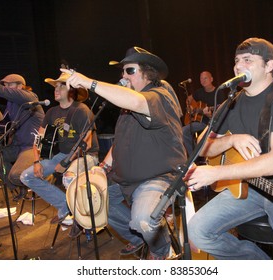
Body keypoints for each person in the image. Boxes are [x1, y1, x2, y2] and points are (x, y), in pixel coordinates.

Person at [186, 37, 273, 260]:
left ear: (269, 66)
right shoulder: (232, 101)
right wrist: (231, 140)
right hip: (251, 189)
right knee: (197, 231)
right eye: (237, 61)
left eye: (248, 60)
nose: (239, 66)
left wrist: (216, 173)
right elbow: (202, 146)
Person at [62, 46, 187, 260]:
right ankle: (140, 239)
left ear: (147, 73)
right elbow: (120, 142)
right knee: (91, 200)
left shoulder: (158, 95)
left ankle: (162, 250)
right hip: (125, 179)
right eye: (123, 72)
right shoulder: (126, 107)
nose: (123, 76)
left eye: (130, 71)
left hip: (158, 177)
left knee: (143, 219)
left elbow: (137, 101)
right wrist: (103, 168)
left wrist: (89, 83)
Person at [20, 72, 99, 235]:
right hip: (63, 156)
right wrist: (36, 161)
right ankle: (65, 204)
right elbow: (39, 139)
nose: (56, 89)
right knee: (26, 176)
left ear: (72, 91)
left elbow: (87, 143)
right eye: (55, 86)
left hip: (86, 156)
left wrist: (66, 162)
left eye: (61, 86)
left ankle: (81, 217)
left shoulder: (82, 110)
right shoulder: (51, 112)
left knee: (68, 177)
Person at [0, 74, 45, 201]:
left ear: (20, 86)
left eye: (9, 85)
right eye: (5, 85)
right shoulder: (11, 105)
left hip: (32, 146)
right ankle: (17, 187)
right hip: (18, 147)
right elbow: (4, 126)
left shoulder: (29, 97)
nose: (6, 88)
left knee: (16, 175)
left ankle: (45, 177)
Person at [182, 71, 227, 156]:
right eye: (201, 79)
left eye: (205, 78)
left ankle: (201, 154)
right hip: (201, 122)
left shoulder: (218, 92)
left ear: (211, 79)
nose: (203, 80)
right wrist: (190, 108)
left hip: (213, 122)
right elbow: (188, 99)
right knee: (183, 131)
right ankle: (194, 157)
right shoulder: (199, 92)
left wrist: (209, 114)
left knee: (204, 137)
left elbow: (221, 110)